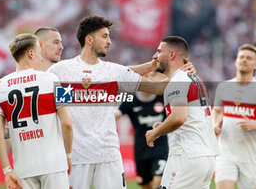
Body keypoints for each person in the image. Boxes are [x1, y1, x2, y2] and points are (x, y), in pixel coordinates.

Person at [47, 15, 194, 189]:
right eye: (104, 36)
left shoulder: (112, 71)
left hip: (109, 156)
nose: (109, 41)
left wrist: (181, 73)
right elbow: (52, 111)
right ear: (89, 39)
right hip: (77, 158)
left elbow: (157, 88)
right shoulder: (62, 71)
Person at [0, 33, 73, 189]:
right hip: (54, 165)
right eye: (39, 54)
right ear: (31, 53)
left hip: (23, 170)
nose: (41, 58)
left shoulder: (0, 88)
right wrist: (68, 155)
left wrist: (7, 170)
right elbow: (67, 123)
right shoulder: (54, 79)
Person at [145, 36, 219, 188]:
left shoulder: (178, 80)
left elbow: (179, 118)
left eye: (159, 51)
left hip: (186, 156)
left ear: (171, 55)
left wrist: (154, 132)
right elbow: (189, 116)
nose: (155, 56)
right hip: (205, 156)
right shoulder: (194, 78)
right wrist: (164, 126)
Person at [213, 44, 256, 189]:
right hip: (225, 153)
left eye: (248, 58)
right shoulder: (224, 87)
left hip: (251, 156)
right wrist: (215, 125)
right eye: (241, 57)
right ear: (236, 61)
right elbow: (216, 111)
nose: (244, 60)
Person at [115, 72, 168, 189]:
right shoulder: (131, 101)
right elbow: (116, 115)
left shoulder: (162, 98)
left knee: (158, 182)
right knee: (146, 185)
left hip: (161, 148)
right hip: (141, 151)